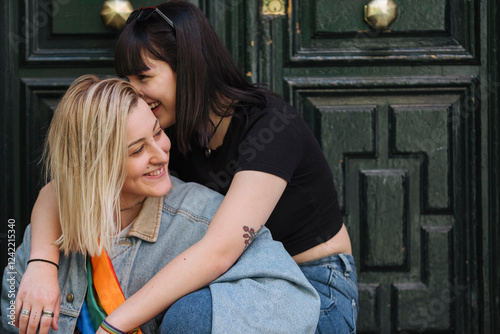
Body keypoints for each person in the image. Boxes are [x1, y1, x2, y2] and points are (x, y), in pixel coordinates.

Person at [18, 1, 358, 333]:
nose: (132, 91)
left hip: (309, 287)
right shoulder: (166, 129)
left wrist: (114, 325)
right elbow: (65, 187)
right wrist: (41, 265)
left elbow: (219, 251)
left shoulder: (271, 127)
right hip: (229, 281)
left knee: (191, 315)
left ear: (190, 67)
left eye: (143, 76)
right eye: (126, 77)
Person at [1, 75, 320, 334]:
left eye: (158, 132)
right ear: (95, 167)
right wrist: (40, 265)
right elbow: (12, 319)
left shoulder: (203, 217)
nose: (161, 153)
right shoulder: (45, 245)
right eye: (138, 150)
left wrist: (194, 321)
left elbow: (295, 303)